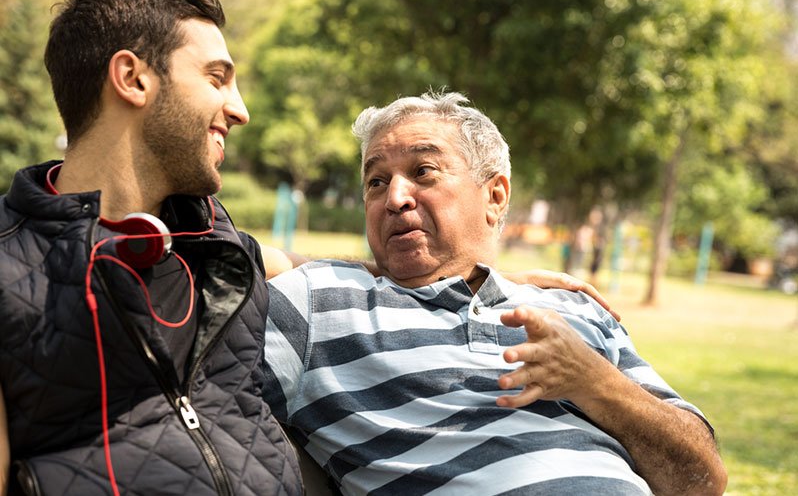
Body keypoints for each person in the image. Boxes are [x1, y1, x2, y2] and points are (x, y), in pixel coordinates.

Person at [262, 91, 728, 495]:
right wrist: (351, 266)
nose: (395, 198)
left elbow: (702, 480)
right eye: (375, 182)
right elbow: (212, 259)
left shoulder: (574, 305)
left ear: (495, 196)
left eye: (423, 172)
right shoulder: (319, 300)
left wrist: (594, 382)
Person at [0, 0, 302, 495]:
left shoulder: (219, 244)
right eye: (216, 77)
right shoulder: (8, 269)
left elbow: (284, 264)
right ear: (133, 78)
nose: (241, 110)